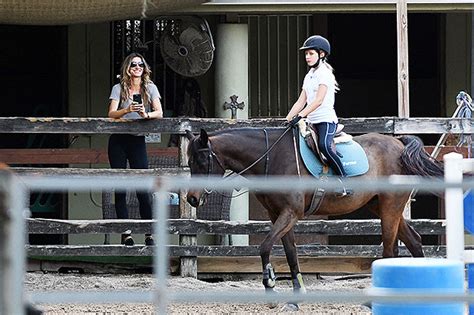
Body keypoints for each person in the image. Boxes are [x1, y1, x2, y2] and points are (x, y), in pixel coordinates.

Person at [286, 35, 352, 197]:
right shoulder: (309, 76)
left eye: (310, 54)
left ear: (321, 54)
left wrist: (300, 116)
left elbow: (318, 100)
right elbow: (301, 101)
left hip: (326, 121)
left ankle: (345, 182)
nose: (307, 57)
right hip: (311, 121)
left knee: (324, 145)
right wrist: (287, 119)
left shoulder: (325, 74)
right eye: (306, 54)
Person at [108, 52, 163, 245]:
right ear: (128, 68)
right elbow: (111, 113)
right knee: (121, 188)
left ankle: (149, 232)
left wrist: (146, 115)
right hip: (118, 140)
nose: (137, 67)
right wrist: (127, 110)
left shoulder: (150, 88)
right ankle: (126, 232)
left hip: (138, 140)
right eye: (133, 65)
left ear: (144, 68)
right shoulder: (118, 88)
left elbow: (160, 112)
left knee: (143, 187)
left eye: (140, 64)